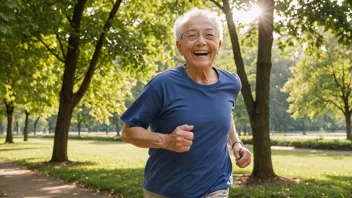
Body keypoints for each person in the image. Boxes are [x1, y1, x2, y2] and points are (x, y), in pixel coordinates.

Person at [120, 7, 251, 198]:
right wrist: (166, 141)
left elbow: (225, 114)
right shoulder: (162, 84)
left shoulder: (231, 83)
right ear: (179, 46)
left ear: (219, 44)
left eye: (209, 35)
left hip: (216, 186)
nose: (201, 41)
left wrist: (236, 144)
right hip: (165, 189)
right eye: (191, 35)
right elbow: (128, 132)